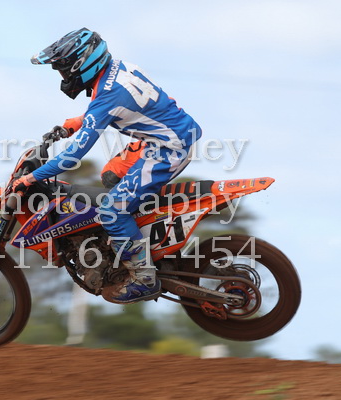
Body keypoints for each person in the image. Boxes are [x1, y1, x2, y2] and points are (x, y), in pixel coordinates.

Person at [13, 28, 202, 303]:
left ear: (82, 65)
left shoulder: (106, 98)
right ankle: (135, 237)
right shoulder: (117, 70)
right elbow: (115, 105)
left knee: (111, 211)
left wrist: (32, 178)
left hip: (169, 149)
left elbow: (73, 155)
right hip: (160, 139)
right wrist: (78, 122)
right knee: (111, 175)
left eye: (64, 71)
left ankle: (144, 277)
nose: (63, 78)